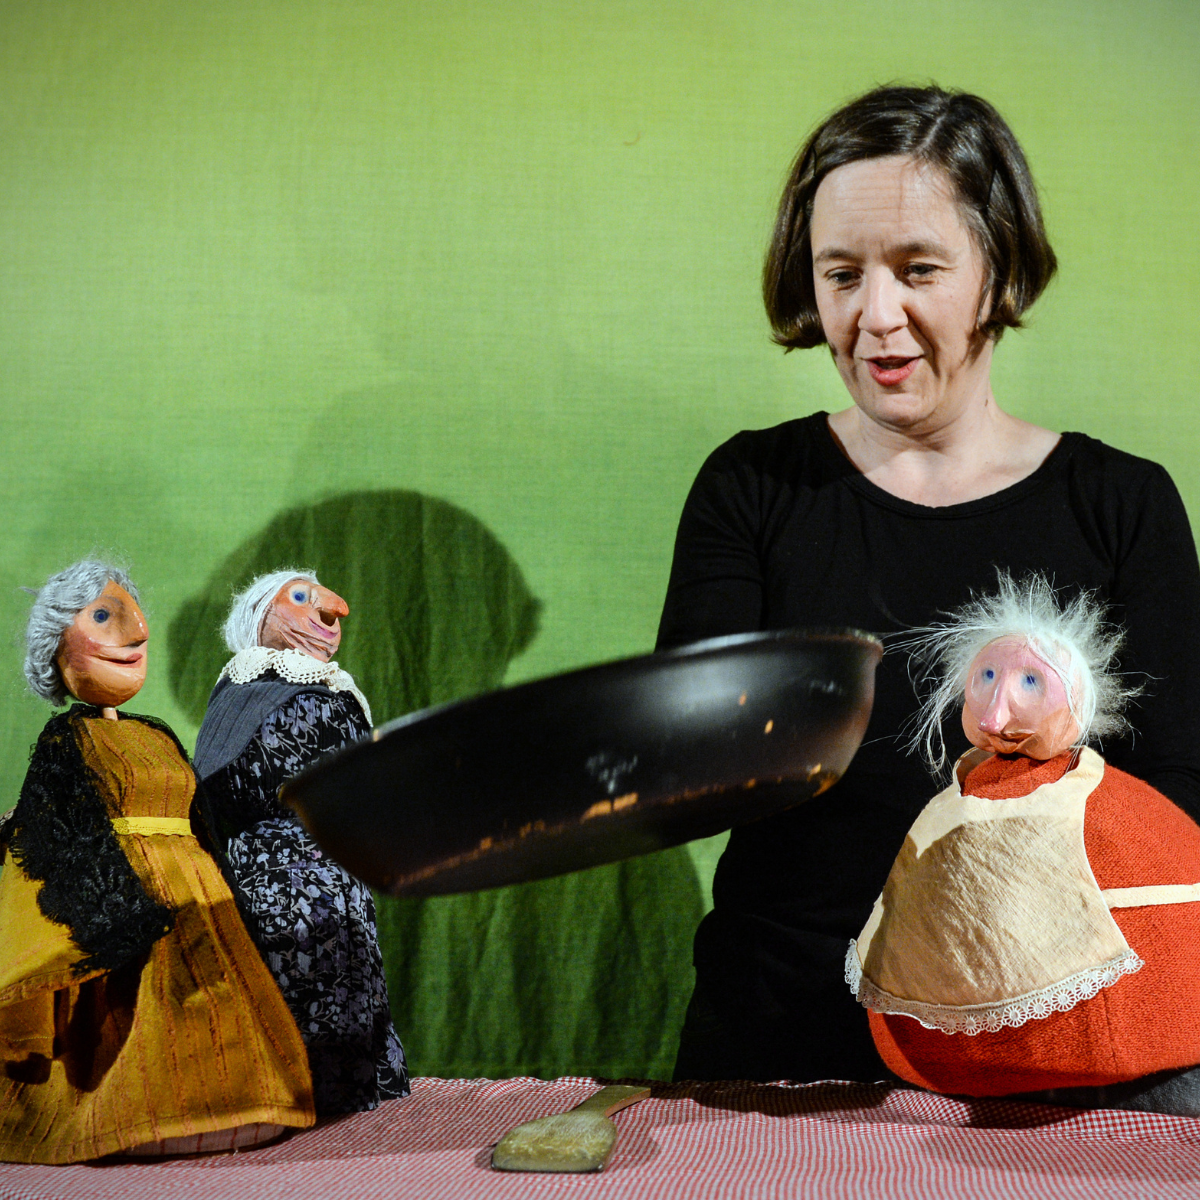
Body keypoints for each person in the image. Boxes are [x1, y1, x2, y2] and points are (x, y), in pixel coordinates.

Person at [657, 85, 1200, 1084]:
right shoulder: (753, 488)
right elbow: (686, 770)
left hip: (1049, 1053)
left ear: (999, 270)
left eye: (917, 270)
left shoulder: (1121, 506)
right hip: (783, 1045)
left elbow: (1180, 805)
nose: (874, 316)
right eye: (841, 273)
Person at [0, 560, 314, 1162]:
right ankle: (137, 1113)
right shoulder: (71, 741)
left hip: (200, 897)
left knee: (218, 1010)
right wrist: (111, 908)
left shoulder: (155, 734)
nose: (136, 632)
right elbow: (56, 833)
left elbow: (200, 816)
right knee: (143, 1018)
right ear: (57, 647)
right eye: (103, 616)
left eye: (134, 615)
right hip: (130, 899)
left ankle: (237, 1103)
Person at [849, 574, 1200, 1112]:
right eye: (986, 678)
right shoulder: (961, 798)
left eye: (1030, 682)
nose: (995, 715)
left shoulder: (1109, 807)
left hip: (1137, 1076)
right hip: (956, 1078)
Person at [193, 569, 409, 1115]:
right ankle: (296, 1093)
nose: (329, 614)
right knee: (299, 986)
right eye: (300, 598)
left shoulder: (327, 691)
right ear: (261, 617)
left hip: (333, 875)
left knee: (347, 981)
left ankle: (347, 1089)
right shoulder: (256, 692)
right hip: (281, 880)